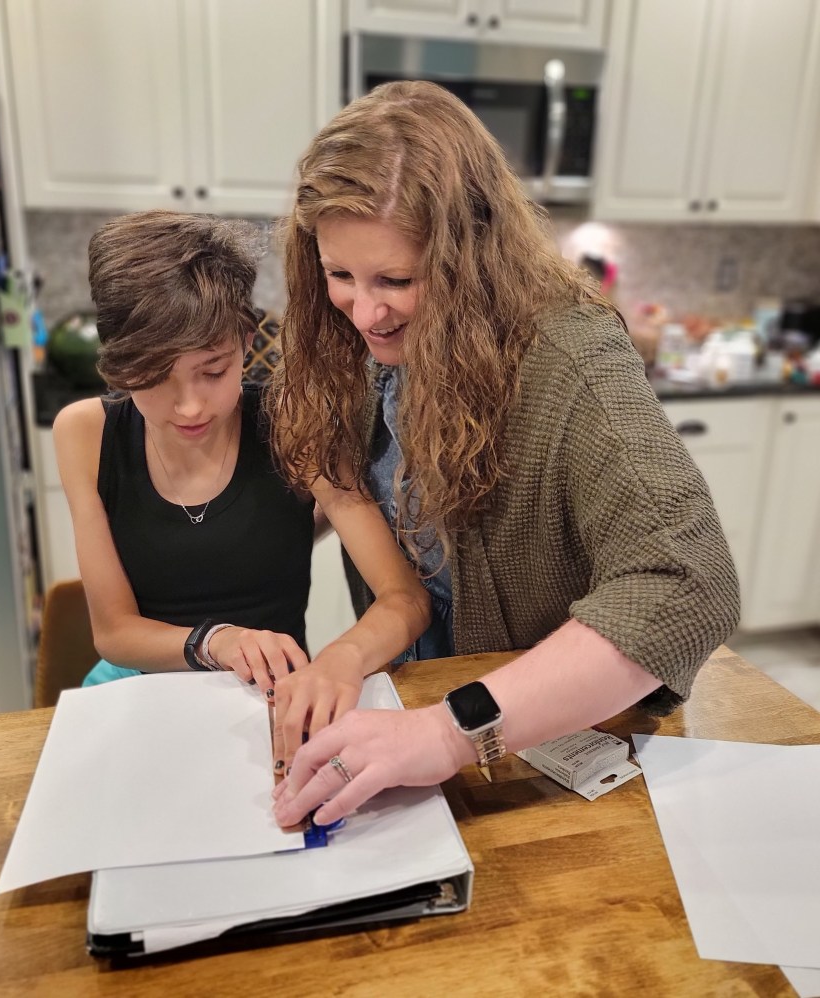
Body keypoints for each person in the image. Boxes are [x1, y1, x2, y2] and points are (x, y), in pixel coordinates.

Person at [269, 81, 740, 828]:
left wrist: (445, 732)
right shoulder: (357, 350)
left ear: (472, 258)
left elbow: (689, 583)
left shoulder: (570, 357)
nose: (365, 311)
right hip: (421, 715)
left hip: (550, 744)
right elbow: (350, 503)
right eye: (340, 275)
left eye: (397, 280)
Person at [53, 210, 430, 747]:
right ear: (118, 362)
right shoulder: (86, 433)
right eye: (153, 377)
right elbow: (114, 632)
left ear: (246, 342)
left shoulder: (292, 423)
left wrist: (342, 657)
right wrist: (217, 642)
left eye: (213, 371)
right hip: (137, 694)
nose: (189, 406)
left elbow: (404, 598)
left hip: (270, 701)